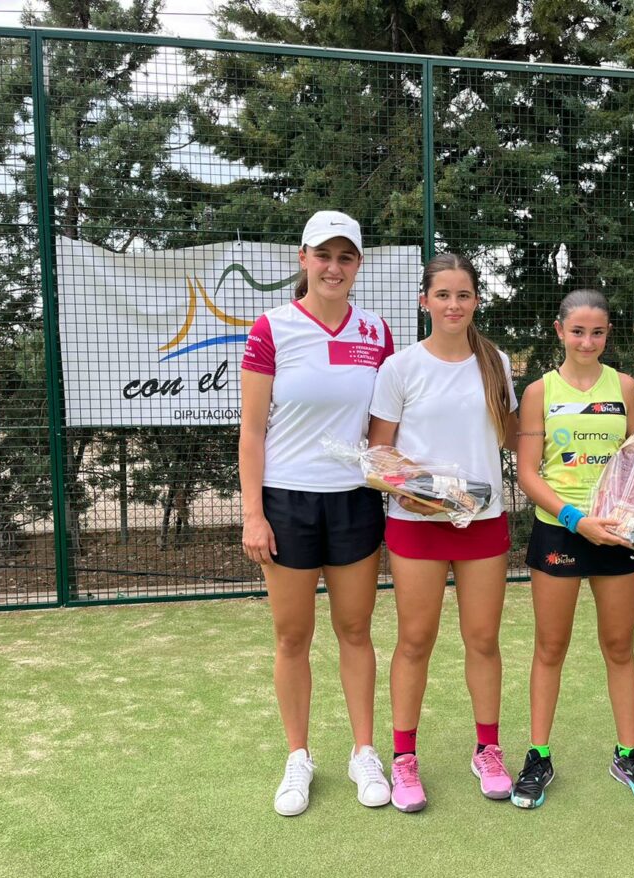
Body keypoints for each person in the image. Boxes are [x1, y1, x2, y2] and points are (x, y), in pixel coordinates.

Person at [240, 210, 393, 817]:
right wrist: (253, 513)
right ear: (302, 259)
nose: (333, 267)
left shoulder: (376, 331)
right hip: (286, 502)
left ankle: (363, 751)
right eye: (322, 255)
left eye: (345, 256)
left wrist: (413, 482)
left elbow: (383, 432)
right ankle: (298, 757)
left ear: (358, 265)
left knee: (355, 631)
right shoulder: (271, 327)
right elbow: (252, 431)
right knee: (292, 635)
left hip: (355, 501)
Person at [367, 253, 519, 812]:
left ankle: (488, 750)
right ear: (423, 301)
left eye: (464, 295)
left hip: (482, 522)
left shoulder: (495, 362)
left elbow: (510, 438)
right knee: (415, 641)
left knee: (483, 640)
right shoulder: (399, 368)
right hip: (417, 526)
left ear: (476, 300)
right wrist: (411, 491)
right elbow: (380, 455)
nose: (454, 305)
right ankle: (404, 760)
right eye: (444, 295)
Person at [509, 289, 634, 810]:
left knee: (619, 647)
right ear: (559, 331)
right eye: (577, 331)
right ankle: (538, 755)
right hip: (560, 531)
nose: (587, 340)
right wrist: (577, 519)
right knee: (550, 648)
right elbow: (528, 473)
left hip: (618, 534)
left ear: (607, 335)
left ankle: (628, 753)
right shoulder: (538, 392)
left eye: (597, 332)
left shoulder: (624, 386)